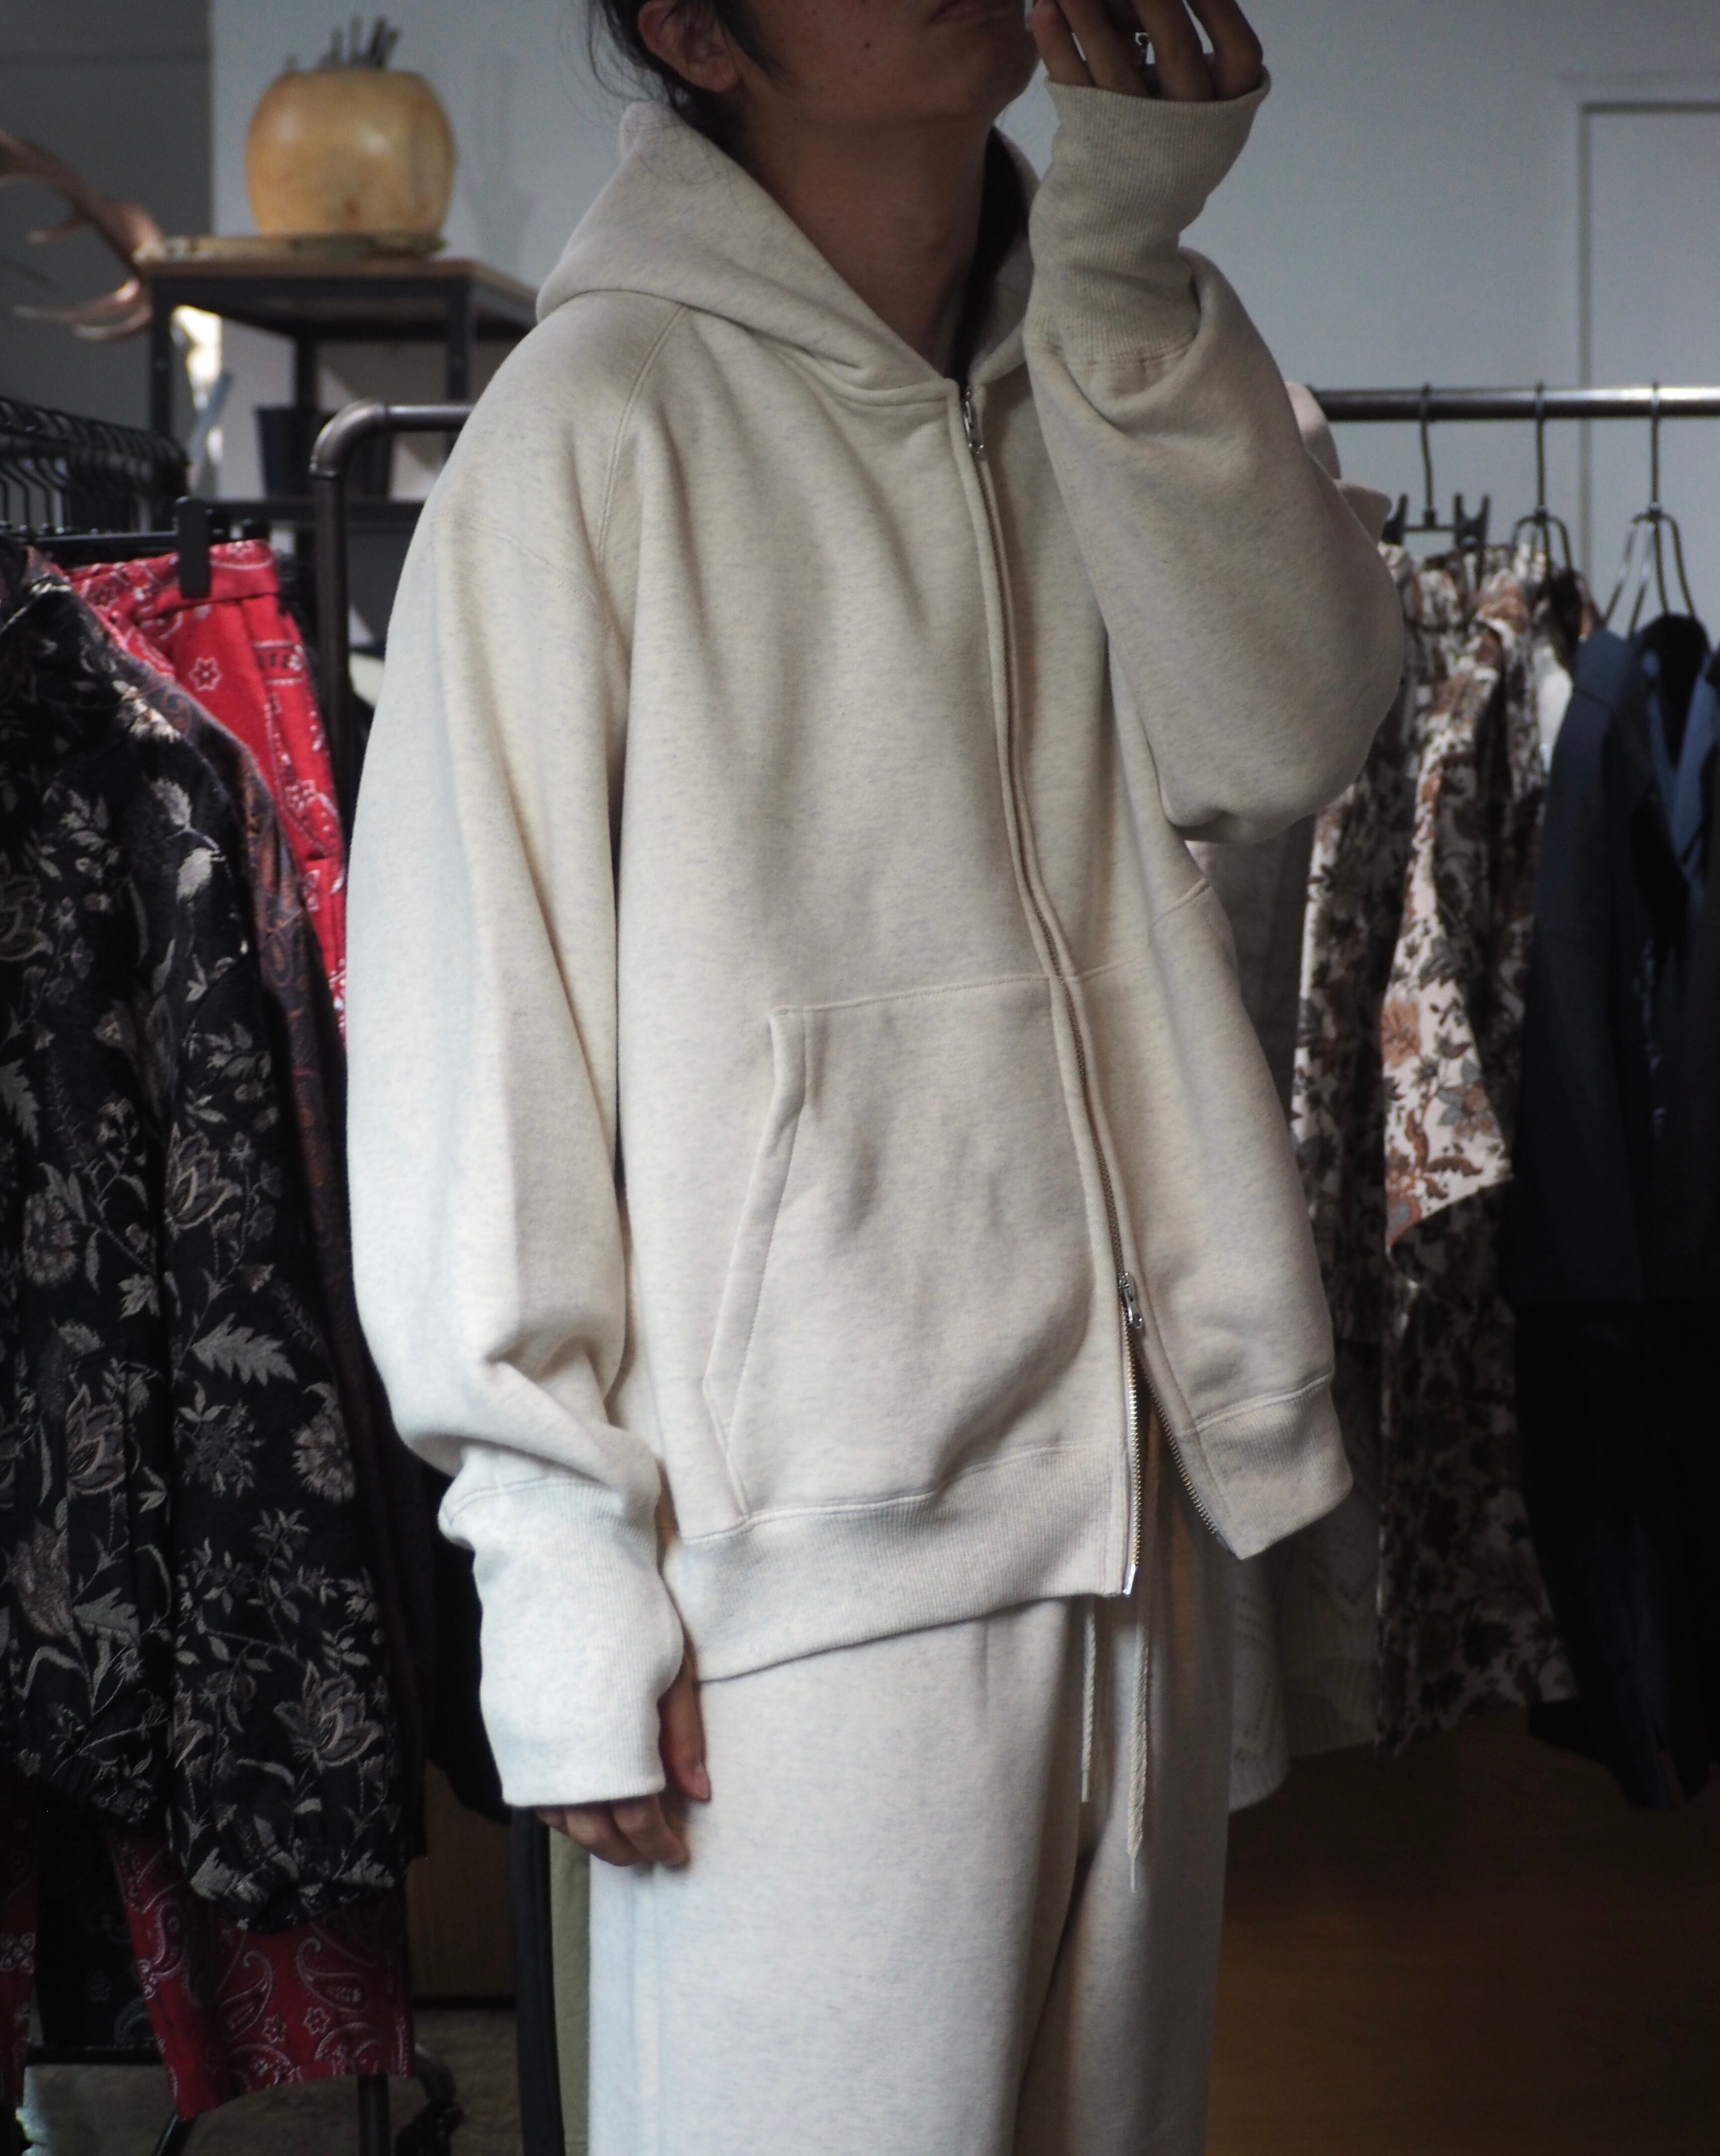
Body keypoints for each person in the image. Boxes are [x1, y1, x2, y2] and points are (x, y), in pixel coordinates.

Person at [345, 2, 1403, 2149]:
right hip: (794, 1584)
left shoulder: (1121, 357)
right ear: (691, 29)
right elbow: (480, 1031)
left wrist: (1127, 260)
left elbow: (1291, 733)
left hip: (1143, 1537)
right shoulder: (589, 424)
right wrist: (559, 1580)